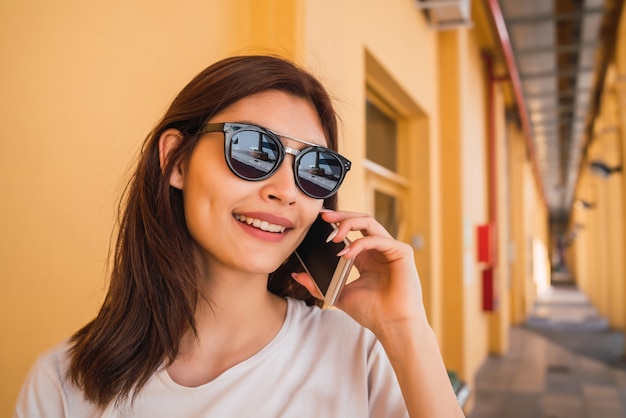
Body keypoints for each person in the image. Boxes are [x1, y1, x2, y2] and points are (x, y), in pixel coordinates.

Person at [14, 55, 464, 417]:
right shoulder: (64, 383)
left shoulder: (361, 354)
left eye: (314, 169)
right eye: (252, 150)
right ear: (177, 160)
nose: (285, 191)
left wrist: (406, 331)